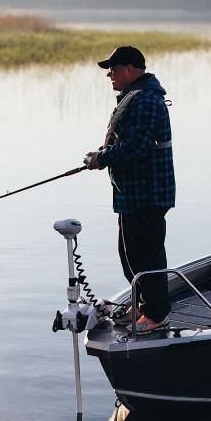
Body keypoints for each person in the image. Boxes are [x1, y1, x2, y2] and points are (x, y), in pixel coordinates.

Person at [85, 46, 175, 334]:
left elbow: (137, 147)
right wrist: (102, 154)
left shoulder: (146, 100)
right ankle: (143, 306)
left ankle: (158, 315)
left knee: (146, 257)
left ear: (129, 69)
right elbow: (126, 140)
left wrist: (104, 159)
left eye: (113, 69)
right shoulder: (133, 98)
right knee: (130, 256)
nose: (109, 75)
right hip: (131, 195)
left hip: (147, 195)